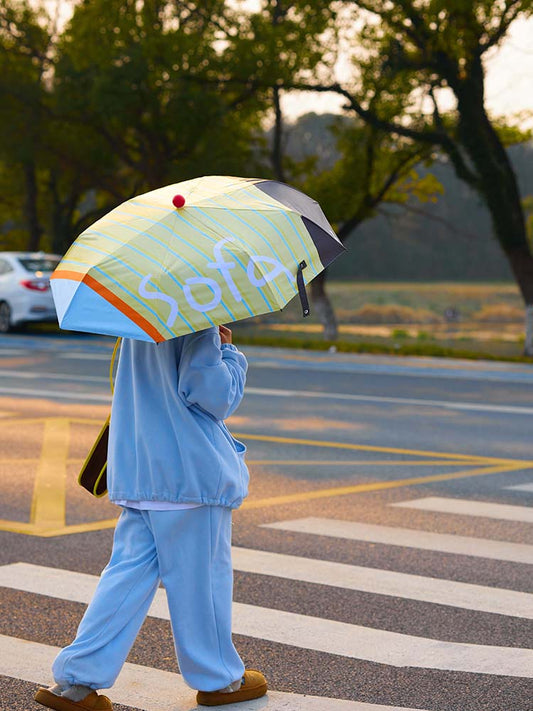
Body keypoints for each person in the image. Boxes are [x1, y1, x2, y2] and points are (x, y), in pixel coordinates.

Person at [34, 325, 267, 710]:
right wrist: (229, 353)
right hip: (188, 478)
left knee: (124, 580)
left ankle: (76, 683)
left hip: (140, 474)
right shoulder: (195, 319)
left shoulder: (137, 324)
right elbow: (214, 396)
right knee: (201, 585)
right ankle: (219, 679)